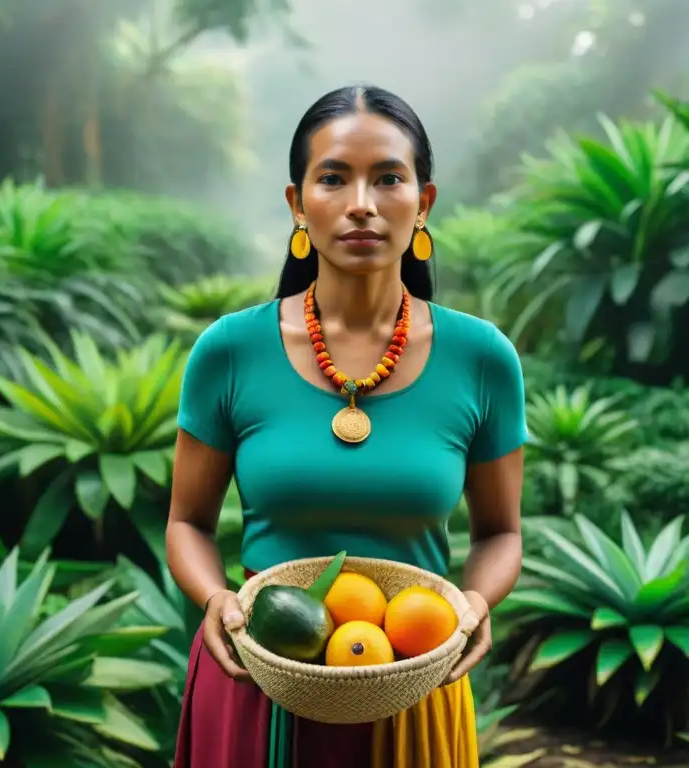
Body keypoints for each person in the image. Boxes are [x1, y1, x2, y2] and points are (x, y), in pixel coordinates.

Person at [166, 84, 527, 768]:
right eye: (333, 178)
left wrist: (476, 602)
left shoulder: (481, 359)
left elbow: (501, 533)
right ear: (298, 205)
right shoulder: (230, 351)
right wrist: (216, 600)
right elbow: (187, 523)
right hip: (261, 674)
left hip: (415, 681)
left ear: (423, 203)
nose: (362, 202)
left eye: (388, 178)